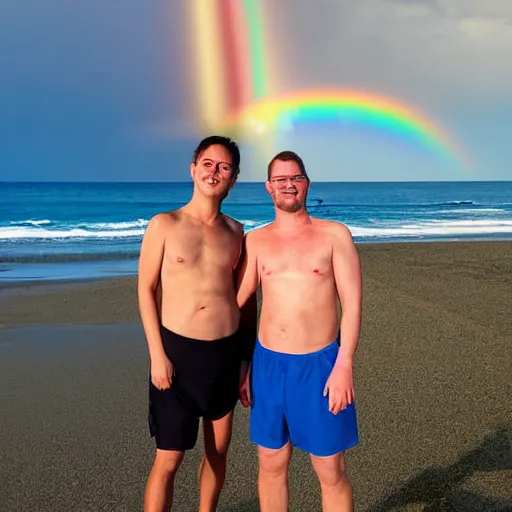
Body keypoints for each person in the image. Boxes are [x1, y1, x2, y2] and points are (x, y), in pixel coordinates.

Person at [237, 151, 362, 512]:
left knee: (330, 468)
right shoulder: (255, 241)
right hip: (269, 365)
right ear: (268, 188)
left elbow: (352, 305)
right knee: (271, 464)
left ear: (306, 184)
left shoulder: (334, 236)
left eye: (296, 178)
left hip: (321, 365)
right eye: (280, 180)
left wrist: (344, 364)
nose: (288, 185)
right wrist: (243, 363)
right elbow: (238, 303)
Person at [138, 135, 251, 512]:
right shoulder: (164, 225)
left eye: (224, 167)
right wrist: (157, 355)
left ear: (233, 178)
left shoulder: (237, 233)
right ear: (193, 169)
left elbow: (247, 300)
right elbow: (146, 290)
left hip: (224, 356)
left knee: (218, 454)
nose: (214, 172)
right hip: (176, 356)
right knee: (168, 459)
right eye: (208, 163)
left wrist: (244, 362)